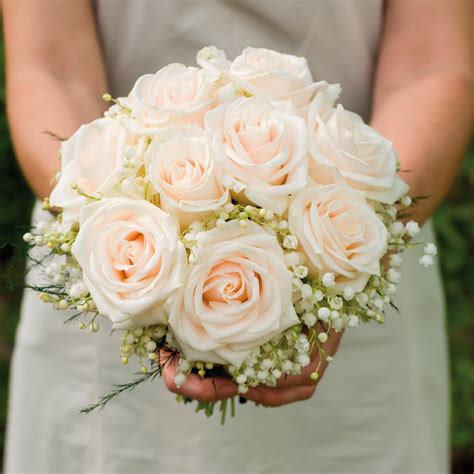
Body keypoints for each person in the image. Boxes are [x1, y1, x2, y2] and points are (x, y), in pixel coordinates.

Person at [2, 1, 472, 473]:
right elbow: (51, 70)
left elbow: (429, 66)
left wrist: (351, 240)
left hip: (349, 260)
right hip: (117, 267)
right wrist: (117, 241)